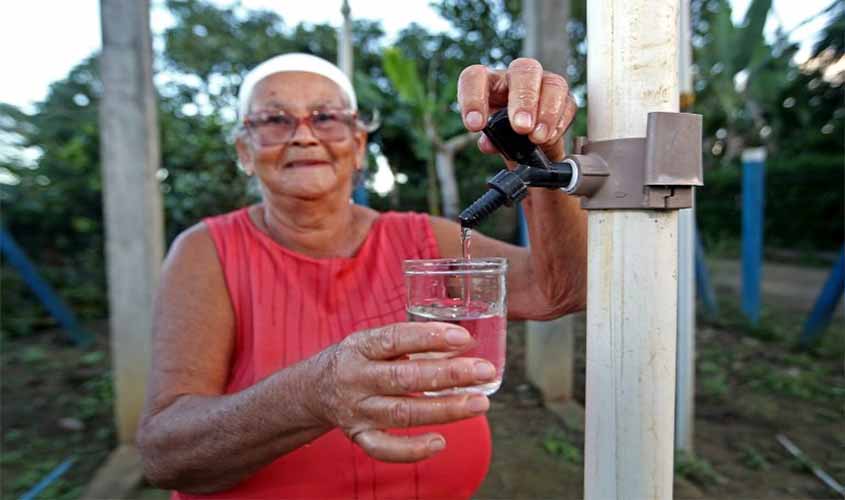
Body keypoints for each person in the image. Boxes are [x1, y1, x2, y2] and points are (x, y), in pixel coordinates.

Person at [137, 52, 587, 500]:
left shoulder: (424, 239)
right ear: (244, 151)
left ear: (356, 147)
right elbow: (166, 456)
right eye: (275, 120)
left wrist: (535, 154)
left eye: (327, 117)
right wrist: (313, 393)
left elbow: (558, 291)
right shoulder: (207, 251)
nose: (304, 136)